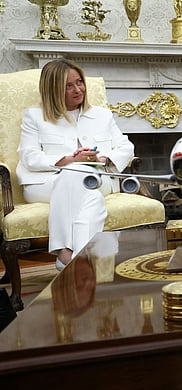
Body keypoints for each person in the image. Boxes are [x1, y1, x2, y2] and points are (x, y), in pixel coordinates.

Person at [16, 59, 135, 271]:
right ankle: (82, 261)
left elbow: (126, 147)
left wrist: (102, 160)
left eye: (79, 82)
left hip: (98, 179)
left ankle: (67, 255)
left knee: (86, 184)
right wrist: (70, 160)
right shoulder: (35, 116)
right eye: (68, 86)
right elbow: (29, 156)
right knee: (90, 195)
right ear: (53, 89)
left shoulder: (102, 115)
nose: (78, 89)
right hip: (45, 183)